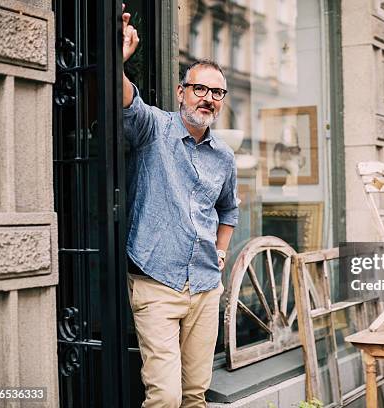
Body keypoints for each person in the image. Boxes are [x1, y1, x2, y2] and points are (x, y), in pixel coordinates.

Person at [121, 6, 238, 408]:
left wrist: (221, 252)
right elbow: (127, 103)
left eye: (216, 92)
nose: (208, 99)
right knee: (166, 397)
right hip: (156, 283)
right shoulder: (153, 128)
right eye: (200, 89)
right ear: (181, 92)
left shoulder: (224, 156)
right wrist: (118, 62)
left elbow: (229, 211)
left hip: (205, 287)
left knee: (194, 395)